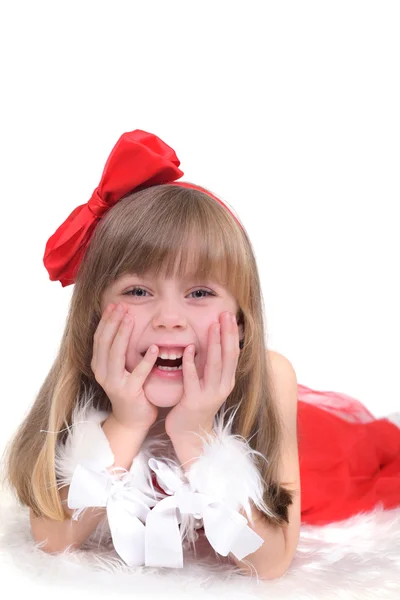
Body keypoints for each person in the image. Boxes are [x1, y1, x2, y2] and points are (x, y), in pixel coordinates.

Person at [1, 129, 400, 580]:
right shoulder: (83, 376)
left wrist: (195, 432)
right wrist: (128, 420)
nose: (169, 318)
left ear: (241, 317)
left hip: (316, 452)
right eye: (137, 290)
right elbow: (52, 540)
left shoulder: (271, 377)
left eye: (199, 291)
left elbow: (269, 563)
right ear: (95, 314)